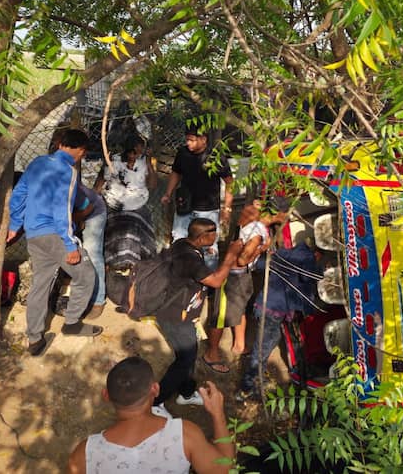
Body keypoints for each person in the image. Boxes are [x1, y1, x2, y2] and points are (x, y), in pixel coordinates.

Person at [7, 129, 102, 356]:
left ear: (60, 144)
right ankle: (72, 323)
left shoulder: (38, 162)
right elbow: (62, 209)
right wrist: (70, 246)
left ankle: (35, 338)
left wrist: (14, 225)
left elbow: (19, 193)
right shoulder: (67, 171)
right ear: (80, 150)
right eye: (82, 153)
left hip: (33, 234)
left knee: (40, 285)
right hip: (55, 235)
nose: (81, 157)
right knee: (85, 274)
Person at [67, 356, 234, 474]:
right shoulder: (184, 434)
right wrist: (217, 413)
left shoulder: (84, 454)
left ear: (106, 395)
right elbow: (224, 469)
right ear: (155, 389)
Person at [154, 218, 239, 409]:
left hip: (182, 315)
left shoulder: (184, 244)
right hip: (175, 318)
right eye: (213, 233)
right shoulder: (189, 259)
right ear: (201, 237)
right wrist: (230, 256)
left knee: (188, 357)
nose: (216, 236)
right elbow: (216, 281)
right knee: (184, 360)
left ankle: (186, 393)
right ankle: (156, 402)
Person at [238, 223, 322, 403]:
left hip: (264, 304)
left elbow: (260, 265)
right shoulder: (308, 260)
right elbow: (309, 279)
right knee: (262, 349)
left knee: (268, 342)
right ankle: (246, 387)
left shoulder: (284, 253)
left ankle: (256, 377)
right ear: (317, 253)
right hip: (273, 309)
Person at [202, 202, 265, 373]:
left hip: (242, 276)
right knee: (221, 316)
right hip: (234, 276)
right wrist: (261, 250)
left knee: (239, 310)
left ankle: (239, 344)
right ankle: (211, 354)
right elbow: (243, 259)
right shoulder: (256, 231)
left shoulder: (247, 222)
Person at [160, 125, 234, 270]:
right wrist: (168, 193)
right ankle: (179, 276)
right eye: (187, 140)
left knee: (209, 247)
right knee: (179, 240)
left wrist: (227, 208)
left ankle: (209, 281)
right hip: (185, 206)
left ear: (203, 139)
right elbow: (176, 173)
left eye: (192, 140)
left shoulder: (215, 156)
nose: (188, 143)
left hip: (208, 210)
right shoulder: (182, 153)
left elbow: (230, 182)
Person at [94, 135, 158, 272]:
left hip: (137, 202)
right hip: (114, 202)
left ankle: (136, 262)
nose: (142, 150)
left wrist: (149, 164)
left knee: (136, 225)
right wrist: (95, 200)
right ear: (132, 149)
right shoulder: (114, 161)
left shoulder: (142, 163)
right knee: (116, 228)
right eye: (140, 147)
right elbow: (100, 182)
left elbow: (152, 185)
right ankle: (112, 262)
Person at [74, 182, 107, 319]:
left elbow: (88, 208)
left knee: (92, 254)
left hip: (93, 211)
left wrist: (74, 220)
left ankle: (97, 301)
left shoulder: (64, 185)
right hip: (78, 212)